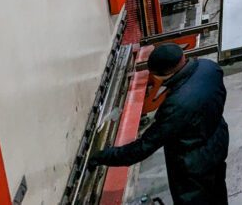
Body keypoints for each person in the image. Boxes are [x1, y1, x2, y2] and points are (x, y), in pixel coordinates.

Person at [89, 44, 229, 204]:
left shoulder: (176, 106)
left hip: (194, 165)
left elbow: (144, 147)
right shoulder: (209, 67)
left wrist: (102, 156)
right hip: (218, 142)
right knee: (217, 190)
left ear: (163, 75)